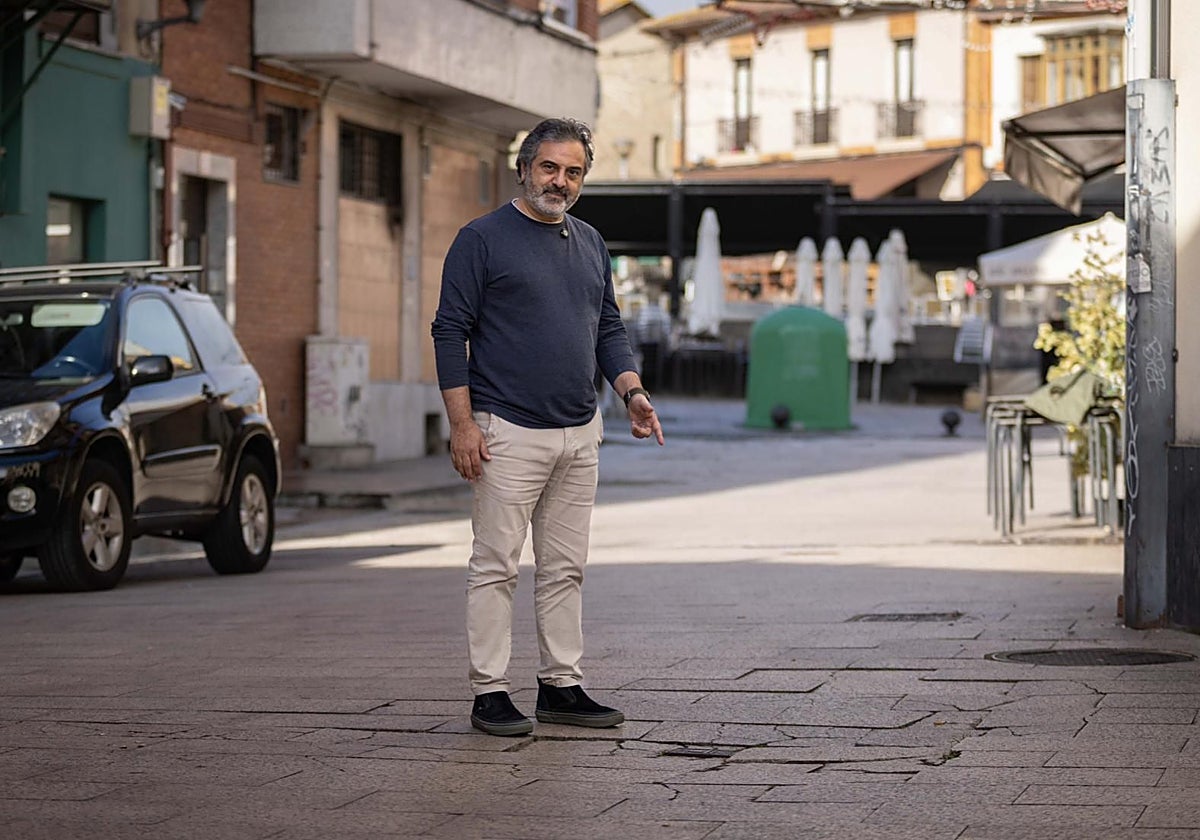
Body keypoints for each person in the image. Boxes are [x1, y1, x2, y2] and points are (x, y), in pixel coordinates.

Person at [431, 117, 664, 737]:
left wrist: (632, 391)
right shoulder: (481, 239)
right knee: (496, 566)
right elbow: (449, 331)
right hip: (505, 428)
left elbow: (607, 327)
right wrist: (462, 424)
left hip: (580, 430)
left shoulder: (590, 241)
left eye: (573, 172)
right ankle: (489, 692)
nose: (560, 181)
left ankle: (561, 686)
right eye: (550, 168)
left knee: (565, 567)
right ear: (524, 168)